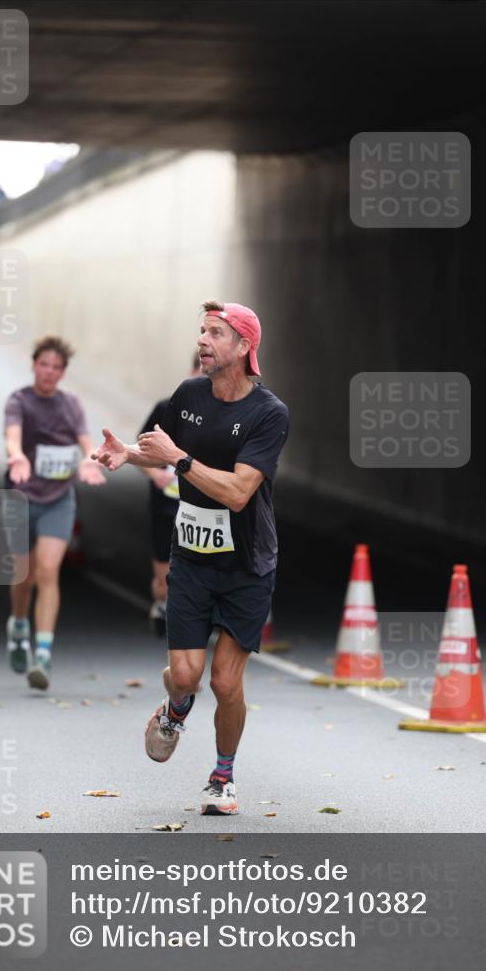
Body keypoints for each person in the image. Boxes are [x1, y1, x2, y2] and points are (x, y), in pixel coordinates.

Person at [94, 300, 289, 815]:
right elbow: (158, 453)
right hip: (193, 558)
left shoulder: (268, 414)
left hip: (248, 563)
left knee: (225, 681)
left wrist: (178, 460)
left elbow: (240, 491)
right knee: (185, 677)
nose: (203, 340)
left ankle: (222, 778)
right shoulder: (186, 396)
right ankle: (175, 707)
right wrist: (128, 455)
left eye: (216, 333)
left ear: (245, 347)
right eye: (201, 331)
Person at [4, 335, 105, 691]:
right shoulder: (20, 401)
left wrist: (91, 462)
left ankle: (42, 654)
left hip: (58, 500)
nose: (48, 372)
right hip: (21, 496)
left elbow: (85, 442)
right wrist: (16, 454)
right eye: (43, 364)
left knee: (48, 570)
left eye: (56, 367)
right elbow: (13, 435)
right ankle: (18, 624)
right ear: (33, 365)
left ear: (63, 372)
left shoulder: (71, 405)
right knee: (24, 576)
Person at [139, 353, 202, 636]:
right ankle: (161, 601)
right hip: (165, 506)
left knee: (197, 573)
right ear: (190, 371)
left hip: (200, 511)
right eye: (200, 370)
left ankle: (190, 618)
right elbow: (140, 452)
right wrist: (155, 474)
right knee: (164, 579)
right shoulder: (166, 409)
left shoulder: (226, 417)